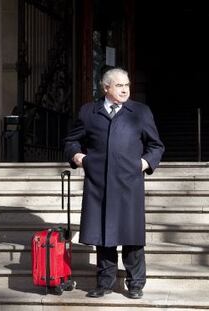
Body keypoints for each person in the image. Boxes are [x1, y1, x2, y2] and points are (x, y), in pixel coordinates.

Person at [64, 68, 165, 299]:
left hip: (129, 182)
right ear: (106, 87)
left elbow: (156, 146)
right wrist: (79, 158)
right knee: (103, 234)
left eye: (127, 85)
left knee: (131, 235)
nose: (125, 89)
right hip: (98, 183)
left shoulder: (140, 112)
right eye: (119, 85)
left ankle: (136, 283)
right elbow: (71, 141)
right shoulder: (89, 112)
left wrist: (143, 163)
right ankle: (105, 282)